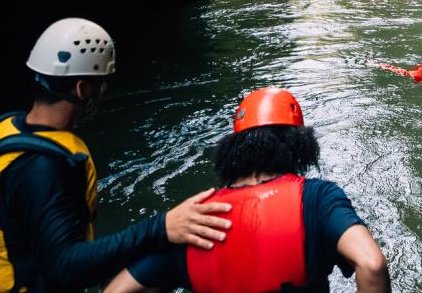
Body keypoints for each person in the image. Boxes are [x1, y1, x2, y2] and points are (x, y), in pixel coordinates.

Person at [0, 18, 232, 293]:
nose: (103, 91)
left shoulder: (4, 130)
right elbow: (65, 268)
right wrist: (161, 227)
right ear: (82, 89)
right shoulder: (42, 167)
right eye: (101, 83)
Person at [103, 87, 390, 293]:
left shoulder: (193, 220)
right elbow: (372, 264)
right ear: (299, 145)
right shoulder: (317, 198)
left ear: (235, 148)